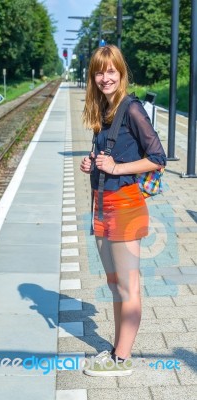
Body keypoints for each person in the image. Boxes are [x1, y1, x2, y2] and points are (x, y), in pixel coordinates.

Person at [80, 45, 166, 377]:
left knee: (128, 285)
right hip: (102, 205)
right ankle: (118, 349)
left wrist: (115, 168)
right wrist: (93, 164)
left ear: (121, 73)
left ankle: (121, 360)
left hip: (127, 205)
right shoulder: (102, 110)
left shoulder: (132, 109)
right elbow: (108, 155)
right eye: (100, 72)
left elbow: (157, 158)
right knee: (115, 283)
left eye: (111, 71)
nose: (105, 77)